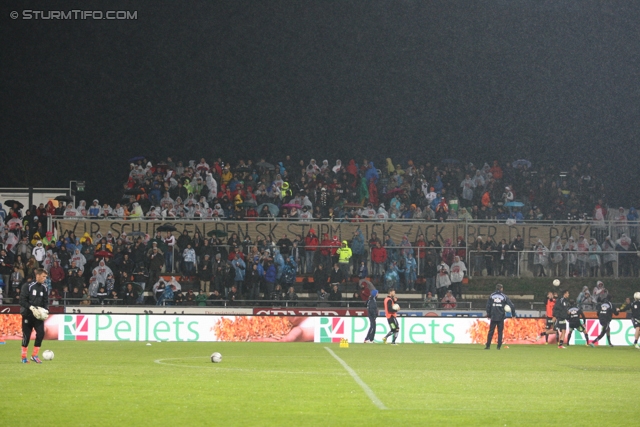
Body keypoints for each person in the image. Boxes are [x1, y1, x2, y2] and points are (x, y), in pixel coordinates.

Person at [19, 268, 49, 363]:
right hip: (28, 314)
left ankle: (34, 355)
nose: (45, 278)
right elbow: (22, 301)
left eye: (46, 277)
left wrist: (46, 310)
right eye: (43, 276)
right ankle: (23, 357)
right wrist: (31, 307)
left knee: (41, 333)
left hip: (38, 316)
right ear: (38, 275)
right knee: (26, 336)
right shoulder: (27, 286)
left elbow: (45, 301)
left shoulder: (44, 287)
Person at [484, 284, 516, 350]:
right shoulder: (504, 296)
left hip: (493, 316)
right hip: (501, 317)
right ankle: (498, 346)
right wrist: (513, 315)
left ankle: (488, 346)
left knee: (491, 331)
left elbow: (488, 306)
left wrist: (489, 314)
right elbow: (512, 305)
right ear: (501, 289)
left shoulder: (492, 296)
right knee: (500, 332)